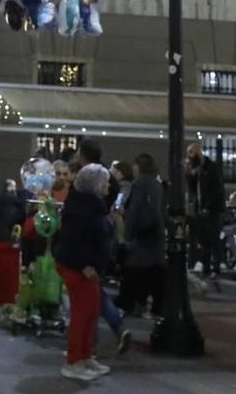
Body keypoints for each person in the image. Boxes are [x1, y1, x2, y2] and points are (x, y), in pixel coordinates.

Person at [53, 162, 114, 382]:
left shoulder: (88, 204)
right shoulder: (84, 207)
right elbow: (74, 240)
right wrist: (85, 265)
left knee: (91, 311)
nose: (108, 186)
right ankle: (74, 361)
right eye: (105, 182)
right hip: (79, 267)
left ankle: (86, 356)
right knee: (82, 314)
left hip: (85, 267)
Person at [117, 153, 165, 318]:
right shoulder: (156, 184)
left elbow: (135, 210)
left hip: (141, 234)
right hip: (154, 235)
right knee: (155, 273)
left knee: (133, 271)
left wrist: (127, 233)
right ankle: (154, 306)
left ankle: (130, 303)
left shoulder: (139, 184)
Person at [185, 142, 226, 276]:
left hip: (212, 211)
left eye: (191, 152)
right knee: (203, 241)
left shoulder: (211, 167)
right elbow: (192, 189)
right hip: (200, 209)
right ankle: (206, 267)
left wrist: (209, 206)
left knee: (213, 239)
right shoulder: (196, 169)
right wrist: (189, 173)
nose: (189, 156)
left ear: (198, 151)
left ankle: (216, 268)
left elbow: (217, 190)